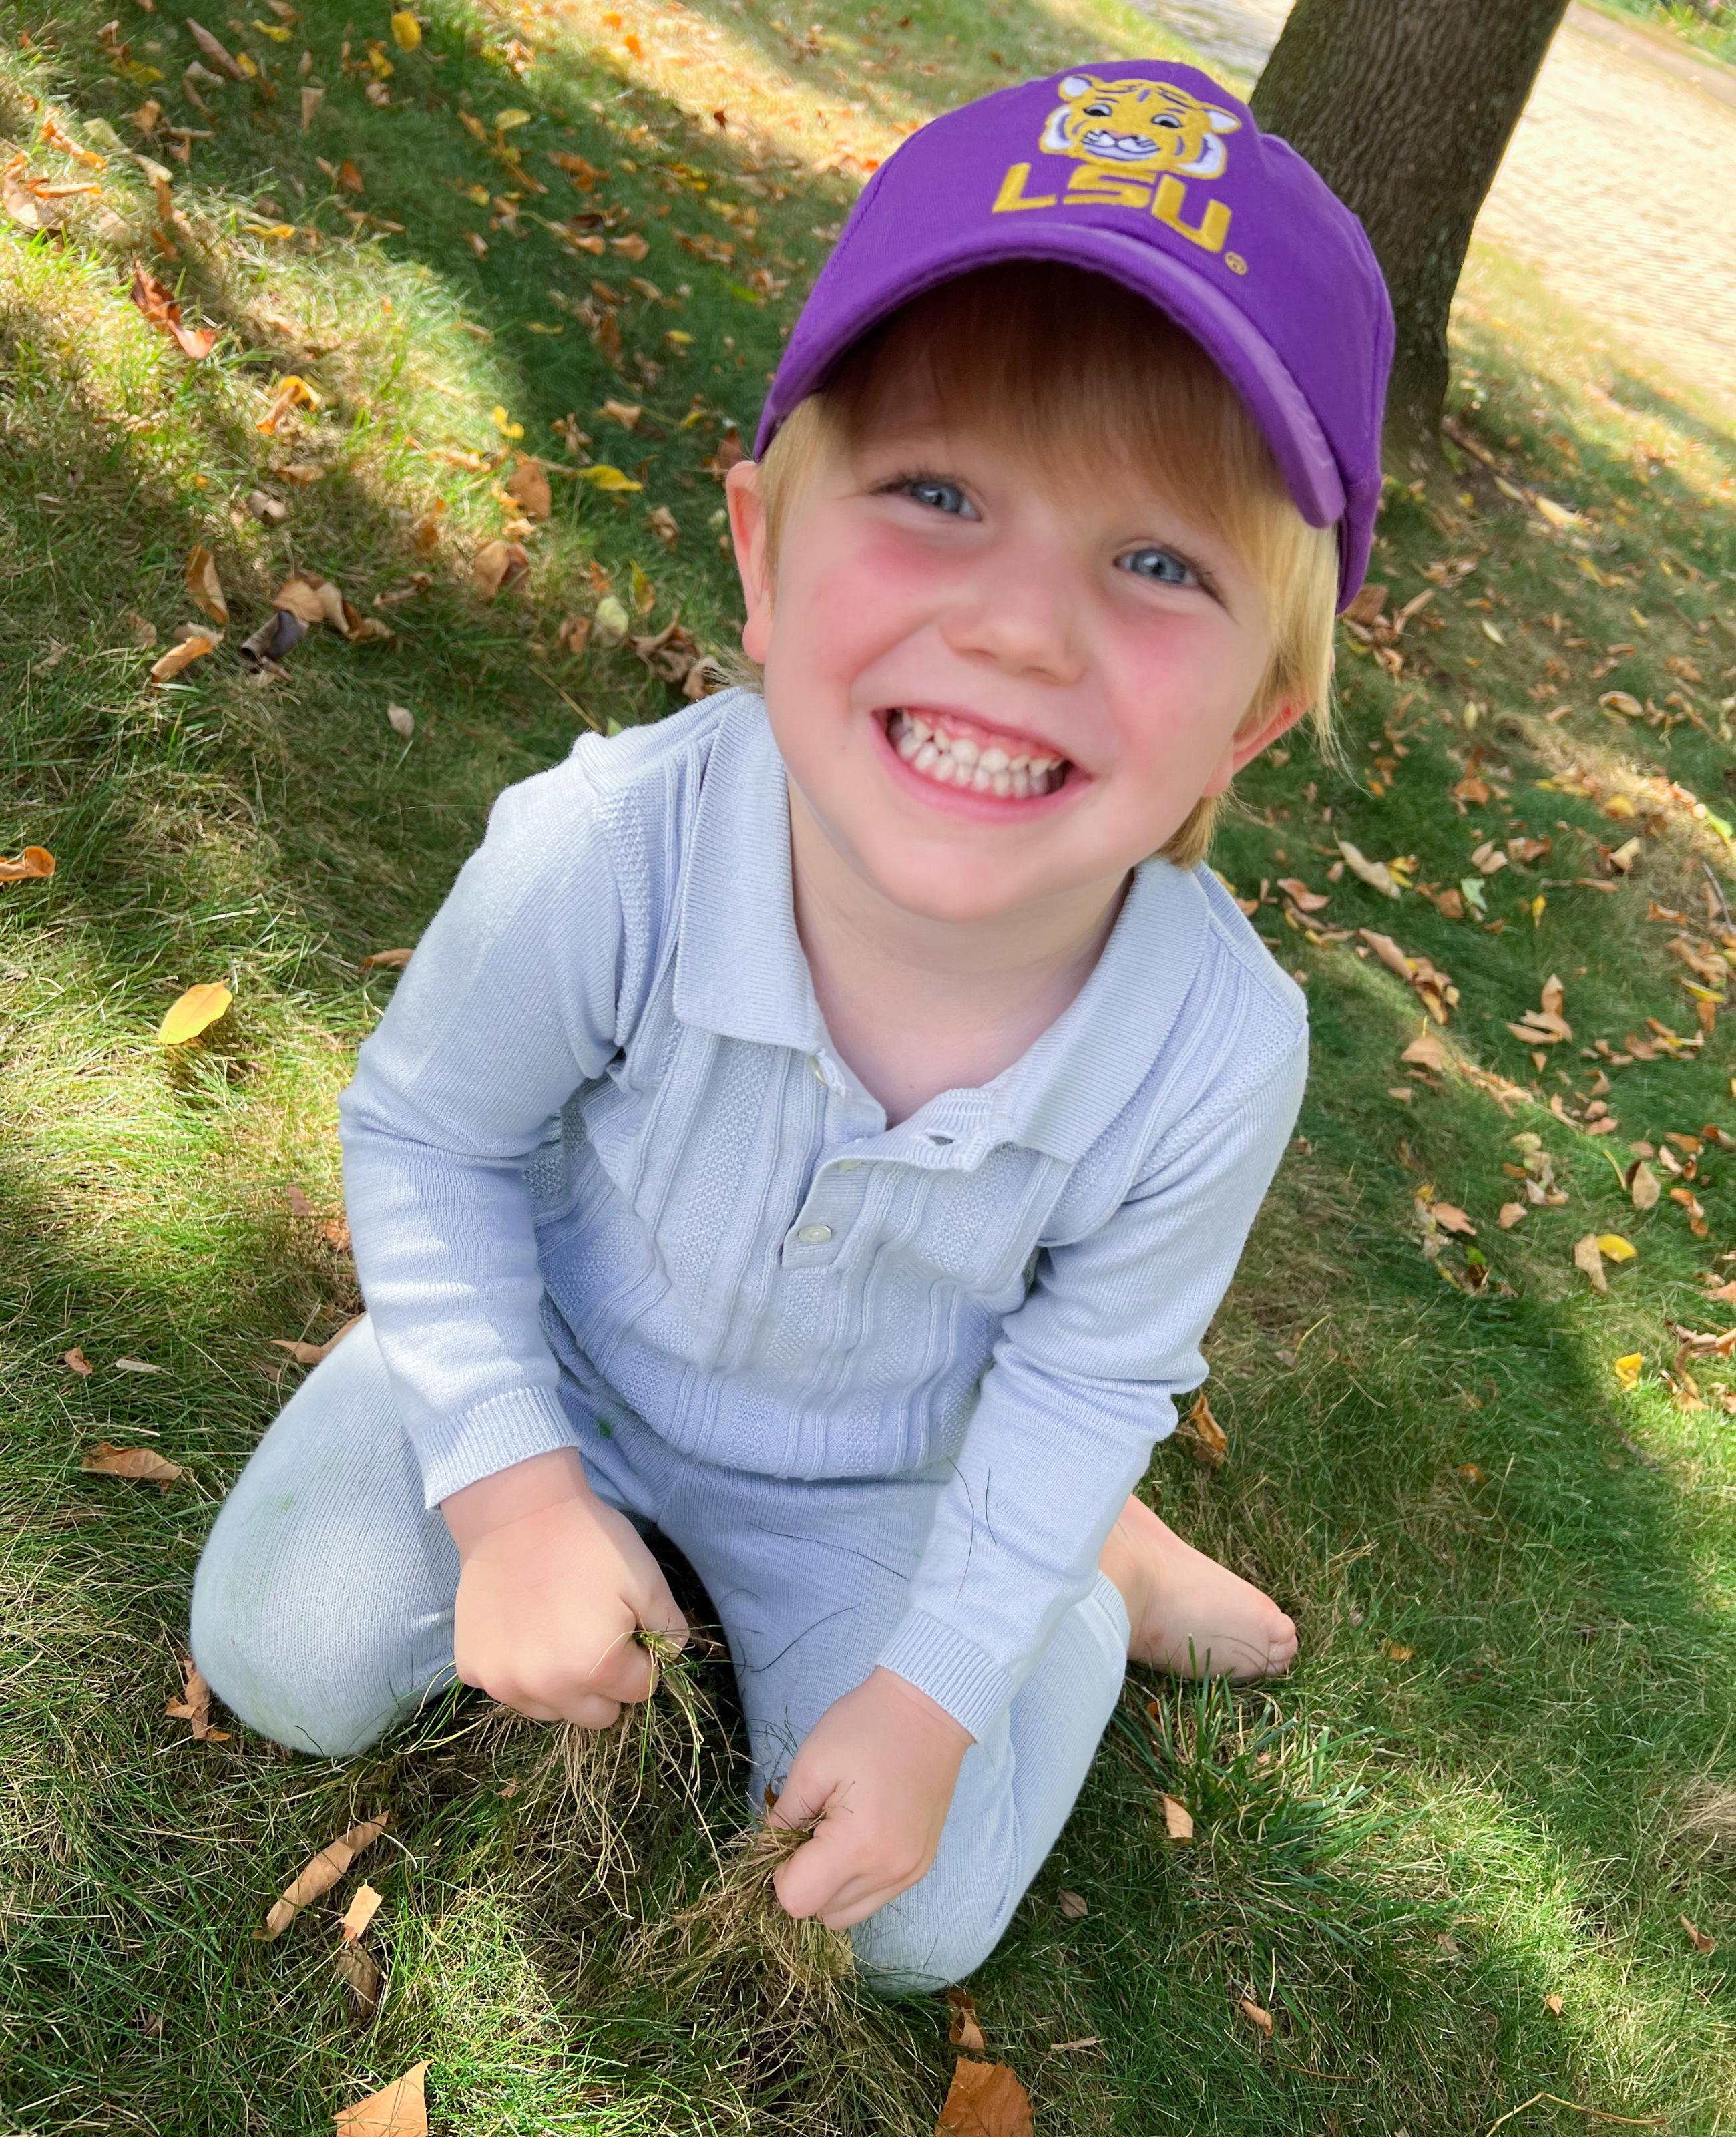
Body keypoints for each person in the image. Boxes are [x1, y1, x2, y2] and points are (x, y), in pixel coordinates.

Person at [190, 57, 1393, 1990]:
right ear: (761, 551)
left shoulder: (1214, 1047)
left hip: (885, 1477)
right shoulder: (612, 846)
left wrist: (932, 1703)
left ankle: (1091, 1581)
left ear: (1252, 715)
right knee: (288, 1653)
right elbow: (429, 1138)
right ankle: (474, 1407)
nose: (1020, 626)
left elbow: (1089, 1371)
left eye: (1160, 563)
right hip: (578, 1357)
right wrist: (505, 1484)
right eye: (937, 493)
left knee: (908, 1926)